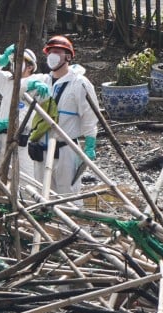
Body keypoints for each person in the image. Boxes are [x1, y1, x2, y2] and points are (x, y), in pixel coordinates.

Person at [33, 35, 99, 201]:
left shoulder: (79, 83)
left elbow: (90, 115)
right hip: (41, 149)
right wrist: (31, 85)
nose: (52, 56)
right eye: (50, 52)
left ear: (68, 56)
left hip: (66, 150)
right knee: (42, 195)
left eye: (57, 52)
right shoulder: (43, 81)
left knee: (68, 196)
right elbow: (18, 90)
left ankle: (72, 226)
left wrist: (90, 143)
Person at [0, 45, 50, 184]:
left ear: (30, 66)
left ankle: (27, 205)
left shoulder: (38, 80)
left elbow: (33, 106)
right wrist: (2, 58)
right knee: (0, 179)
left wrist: (34, 85)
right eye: (13, 60)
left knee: (26, 180)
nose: (14, 64)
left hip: (22, 140)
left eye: (19, 60)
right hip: (1, 137)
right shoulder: (8, 80)